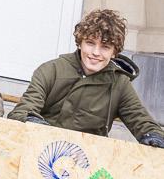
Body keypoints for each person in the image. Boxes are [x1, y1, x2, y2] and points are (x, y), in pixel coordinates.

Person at [8, 9, 164, 146]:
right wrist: (39, 127)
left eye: (105, 47)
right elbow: (22, 111)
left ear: (114, 52)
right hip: (43, 147)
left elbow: (141, 120)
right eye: (90, 43)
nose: (96, 52)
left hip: (89, 158)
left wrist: (154, 136)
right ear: (80, 42)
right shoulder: (51, 70)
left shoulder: (119, 84)